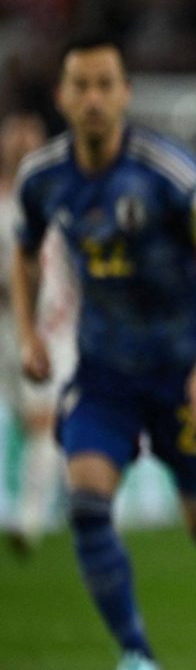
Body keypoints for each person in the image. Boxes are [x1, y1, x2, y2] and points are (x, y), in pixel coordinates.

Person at [11, 35, 196, 670]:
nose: (92, 98)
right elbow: (25, 247)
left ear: (123, 94)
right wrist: (30, 331)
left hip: (185, 373)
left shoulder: (167, 172)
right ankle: (137, 656)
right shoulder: (43, 178)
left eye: (105, 85)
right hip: (105, 374)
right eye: (80, 85)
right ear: (63, 96)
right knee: (87, 499)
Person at [0, 110, 73, 555]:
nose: (22, 143)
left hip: (49, 331)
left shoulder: (63, 198)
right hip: (7, 328)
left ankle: (30, 522)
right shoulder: (5, 207)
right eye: (14, 136)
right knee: (39, 426)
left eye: (30, 136)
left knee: (46, 424)